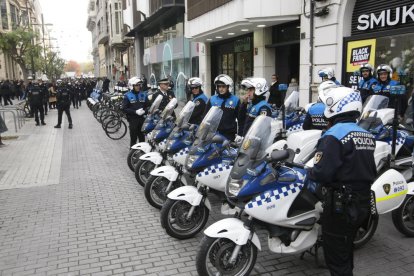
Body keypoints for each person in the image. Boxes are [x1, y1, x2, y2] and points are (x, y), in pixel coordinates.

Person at [308, 86, 376, 276]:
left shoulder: (333, 135)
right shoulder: (366, 135)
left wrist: (309, 172)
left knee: (336, 257)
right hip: (362, 202)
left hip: (340, 206)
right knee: (346, 250)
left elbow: (322, 173)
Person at [203, 74, 240, 141]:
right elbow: (205, 117)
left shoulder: (235, 100)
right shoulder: (212, 99)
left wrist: (240, 135)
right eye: (219, 87)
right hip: (213, 133)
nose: (221, 89)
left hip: (229, 135)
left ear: (229, 87)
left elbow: (240, 119)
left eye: (223, 87)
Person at [236, 77, 272, 142]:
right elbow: (242, 120)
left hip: (254, 144)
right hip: (247, 142)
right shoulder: (253, 104)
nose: (248, 93)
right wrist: (244, 104)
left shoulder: (263, 107)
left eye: (250, 90)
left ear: (259, 90)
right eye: (248, 90)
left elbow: (261, 130)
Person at [122, 77, 148, 147]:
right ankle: (132, 155)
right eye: (136, 85)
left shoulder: (144, 94)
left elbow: (148, 106)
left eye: (139, 85)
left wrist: (144, 111)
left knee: (142, 139)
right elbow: (124, 108)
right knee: (133, 139)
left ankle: (142, 154)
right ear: (132, 86)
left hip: (142, 120)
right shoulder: (127, 95)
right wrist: (135, 112)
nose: (138, 87)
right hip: (133, 120)